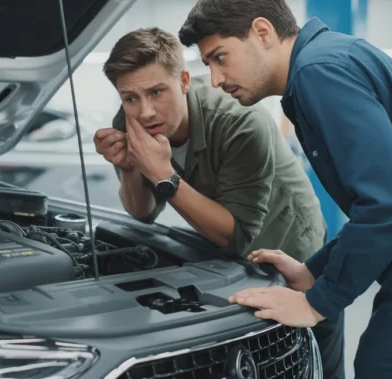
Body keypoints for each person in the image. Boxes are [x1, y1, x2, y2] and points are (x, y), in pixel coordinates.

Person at [177, 0, 392, 377]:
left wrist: (317, 302)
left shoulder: (317, 73)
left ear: (262, 31)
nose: (215, 81)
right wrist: (315, 270)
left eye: (220, 57)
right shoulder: (328, 60)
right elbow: (381, 201)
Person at [93, 27, 345, 378]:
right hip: (231, 260)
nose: (146, 112)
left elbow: (237, 235)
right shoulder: (130, 120)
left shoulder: (240, 122)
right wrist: (130, 170)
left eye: (156, 92)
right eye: (130, 98)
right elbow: (143, 213)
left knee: (310, 361)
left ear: (182, 80)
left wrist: (165, 177)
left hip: (292, 250)